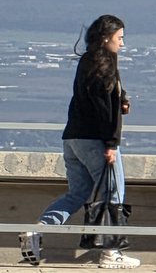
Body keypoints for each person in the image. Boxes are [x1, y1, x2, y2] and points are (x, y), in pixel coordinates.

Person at [20, 14, 138, 269]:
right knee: (113, 193)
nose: (122, 44)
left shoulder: (87, 61)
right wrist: (111, 144)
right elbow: (104, 108)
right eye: (120, 38)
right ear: (106, 37)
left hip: (72, 138)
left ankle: (36, 231)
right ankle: (110, 252)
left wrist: (122, 99)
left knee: (78, 193)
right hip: (95, 141)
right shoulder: (106, 62)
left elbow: (98, 98)